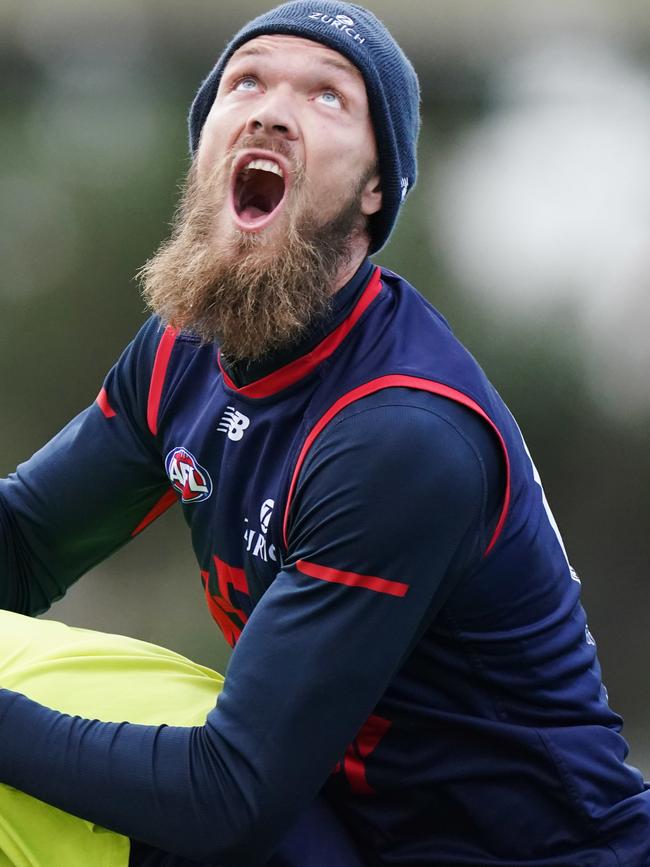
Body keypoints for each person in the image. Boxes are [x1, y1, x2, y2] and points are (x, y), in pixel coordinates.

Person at [0, 2, 648, 865]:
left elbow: (225, 797)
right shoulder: (183, 349)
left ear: (376, 188)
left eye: (329, 97)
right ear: (205, 147)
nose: (271, 109)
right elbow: (23, 546)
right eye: (247, 80)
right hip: (338, 825)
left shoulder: (399, 433)